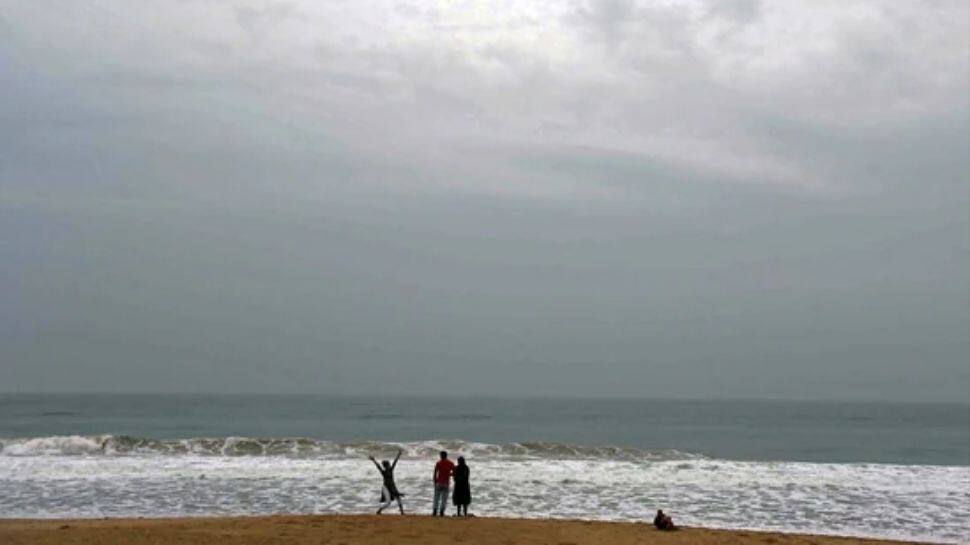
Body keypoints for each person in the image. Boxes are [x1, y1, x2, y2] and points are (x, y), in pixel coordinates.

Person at [369, 450, 405, 515]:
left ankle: (402, 512)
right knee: (388, 502)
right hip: (385, 487)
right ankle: (379, 510)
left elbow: (395, 462)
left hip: (392, 486)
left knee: (398, 498)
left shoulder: (391, 470)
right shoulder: (383, 472)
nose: (390, 465)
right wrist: (373, 460)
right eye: (388, 464)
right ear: (386, 466)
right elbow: (378, 467)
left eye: (389, 464)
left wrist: (398, 455)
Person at [432, 450, 455, 516]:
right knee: (444, 498)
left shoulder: (438, 463)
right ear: (446, 456)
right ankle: (442, 511)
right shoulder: (450, 463)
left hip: (439, 482)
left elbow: (435, 472)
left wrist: (435, 480)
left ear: (441, 456)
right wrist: (450, 474)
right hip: (446, 482)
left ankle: (435, 511)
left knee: (436, 498)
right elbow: (455, 471)